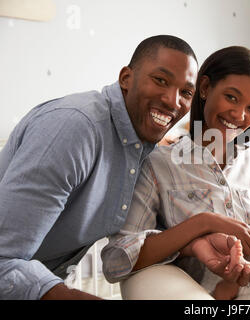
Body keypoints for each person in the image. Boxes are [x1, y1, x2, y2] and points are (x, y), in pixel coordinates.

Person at [0, 35, 199, 300]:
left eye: (186, 92)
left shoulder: (142, 146)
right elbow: (3, 258)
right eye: (160, 80)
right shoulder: (75, 129)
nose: (174, 102)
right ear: (126, 78)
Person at [101, 46, 250, 294]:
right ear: (206, 88)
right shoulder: (158, 164)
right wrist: (203, 224)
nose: (239, 114)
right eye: (231, 97)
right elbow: (116, 260)